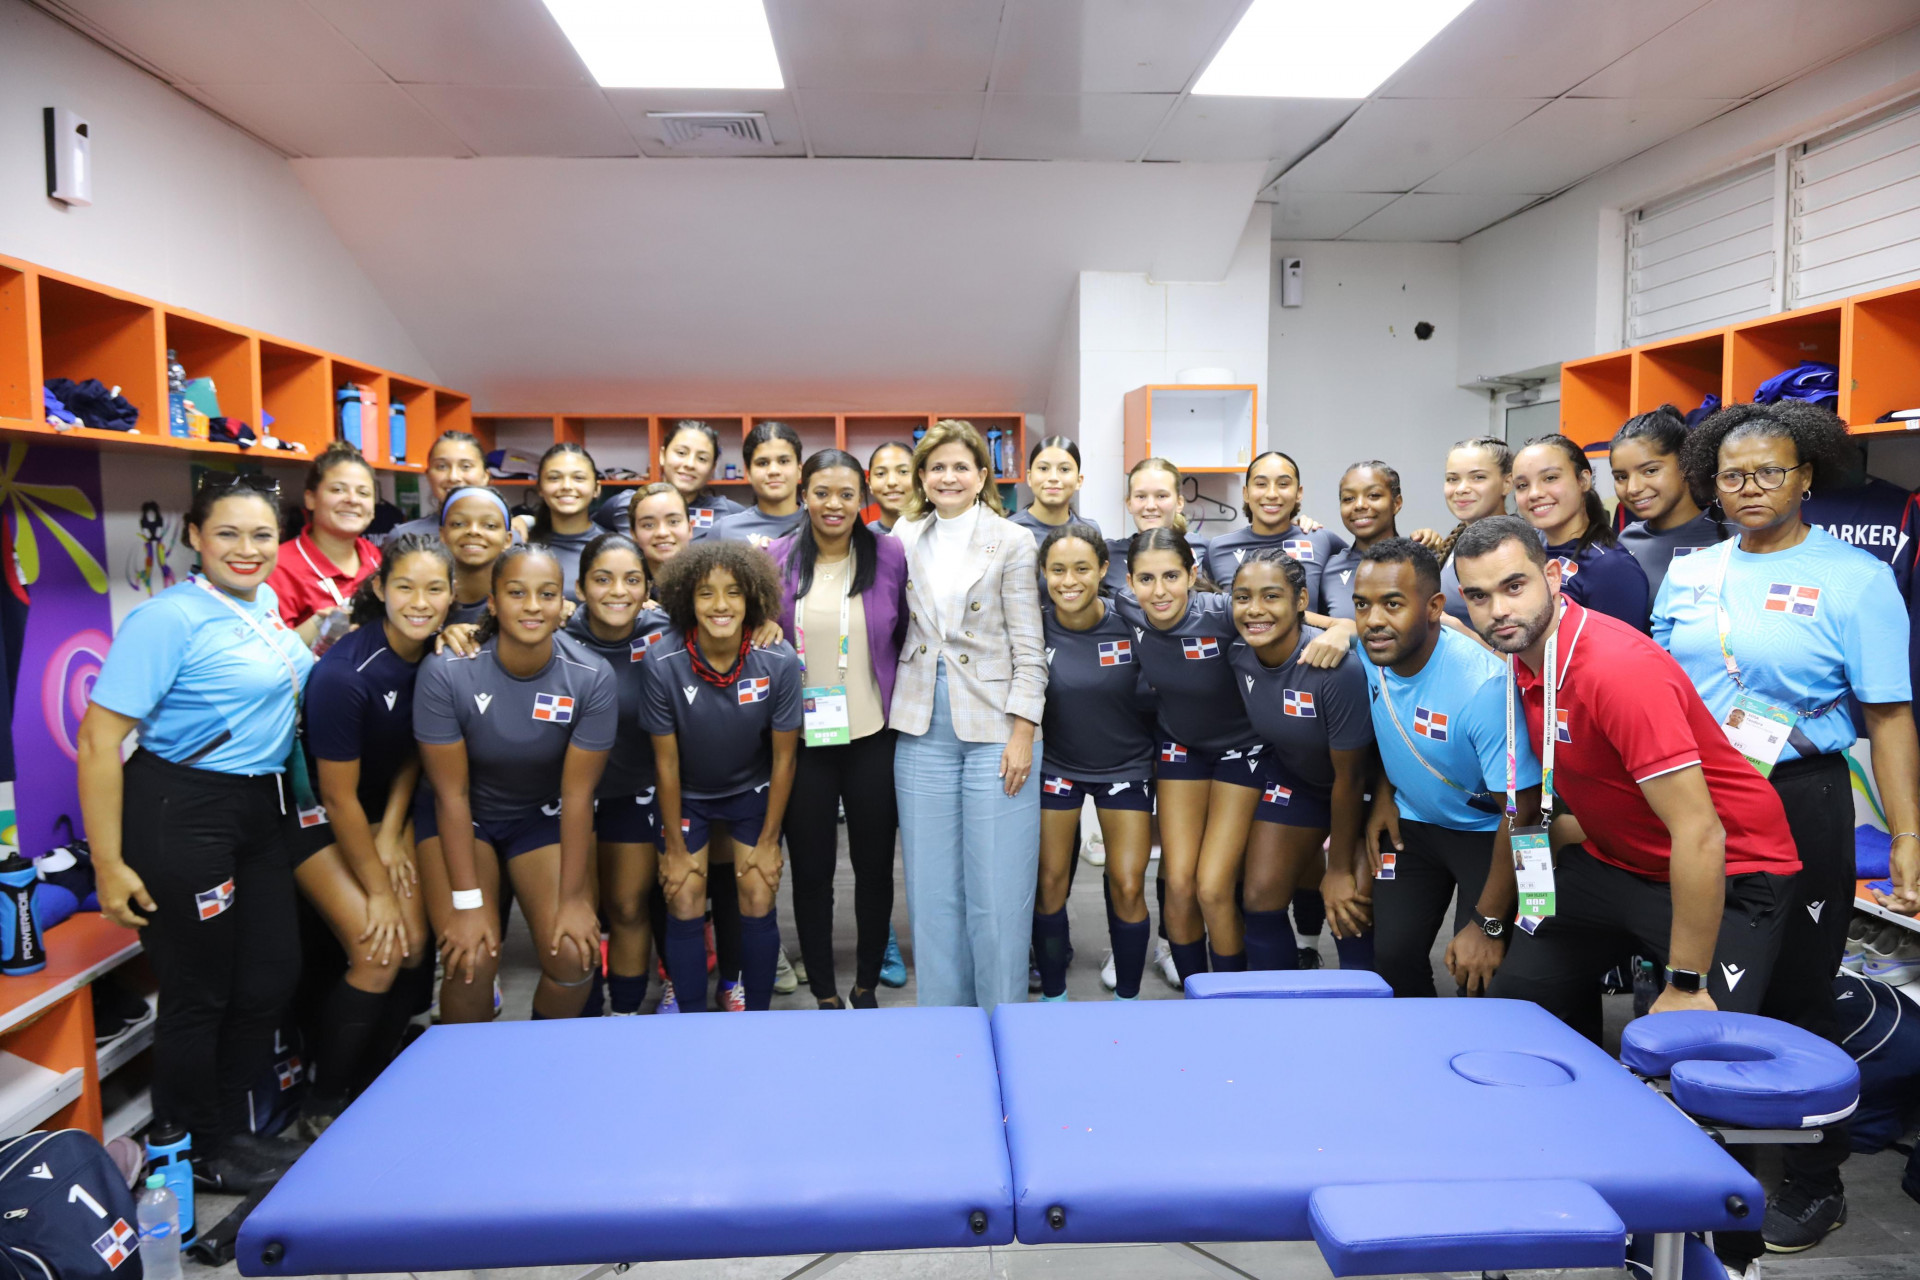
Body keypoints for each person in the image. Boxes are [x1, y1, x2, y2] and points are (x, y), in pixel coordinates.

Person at [1659, 401, 1920, 1251]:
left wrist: (1908, 835)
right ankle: (1701, 1171)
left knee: (1801, 994)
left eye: (1770, 471)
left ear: (1806, 475)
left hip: (1799, 799)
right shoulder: (1692, 571)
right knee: (1695, 979)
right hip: (1694, 801)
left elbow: (1889, 715)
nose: (1750, 487)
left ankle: (1817, 1182)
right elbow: (1658, 687)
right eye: (1732, 475)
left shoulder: (1856, 578)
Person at [1449, 516, 1800, 1037]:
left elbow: (1700, 832)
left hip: (1729, 868)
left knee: (1701, 1046)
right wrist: (1490, 919)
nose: (1498, 609)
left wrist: (1685, 984)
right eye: (1480, 596)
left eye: (1514, 586)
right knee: (1514, 1006)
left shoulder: (1615, 670)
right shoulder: (1523, 661)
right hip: (1614, 863)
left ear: (1552, 577)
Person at [78, 474, 313, 1191]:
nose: (247, 548)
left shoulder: (261, 603)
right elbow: (98, 740)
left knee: (268, 975)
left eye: (262, 534)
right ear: (194, 536)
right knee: (199, 991)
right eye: (228, 533)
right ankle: (195, 1147)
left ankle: (235, 1129)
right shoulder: (167, 618)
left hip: (259, 807)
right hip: (183, 809)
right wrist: (109, 863)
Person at [413, 545, 612, 1022]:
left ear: (563, 605)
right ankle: (468, 1062)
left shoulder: (590, 677)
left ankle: (537, 1054)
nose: (532, 606)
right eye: (517, 593)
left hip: (539, 817)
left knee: (574, 953)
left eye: (547, 594)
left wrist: (573, 900)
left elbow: (577, 795)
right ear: (493, 602)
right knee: (472, 960)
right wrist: (467, 906)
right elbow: (451, 795)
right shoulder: (447, 670)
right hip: (462, 817)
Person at [292, 534, 448, 1132]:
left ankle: (375, 1082)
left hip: (381, 813)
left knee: (413, 947)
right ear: (380, 588)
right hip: (317, 816)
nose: (420, 602)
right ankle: (324, 1100)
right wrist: (378, 889)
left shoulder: (436, 654)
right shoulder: (344, 674)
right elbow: (336, 797)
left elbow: (413, 751)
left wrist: (392, 831)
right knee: (379, 951)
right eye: (405, 587)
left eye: (434, 589)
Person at [891, 419, 1048, 1010]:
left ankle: (1001, 1018)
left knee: (998, 890)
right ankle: (944, 1025)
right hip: (920, 723)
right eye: (936, 467)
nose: (948, 477)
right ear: (922, 478)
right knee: (931, 891)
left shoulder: (1012, 540)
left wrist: (1024, 731)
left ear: (983, 476)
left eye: (961, 466)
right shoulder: (903, 536)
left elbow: (1029, 646)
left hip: (996, 726)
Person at [1350, 538, 1542, 998]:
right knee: (1392, 957)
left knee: (1484, 975)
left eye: (1392, 604)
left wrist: (1489, 924)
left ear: (1434, 607)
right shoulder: (1370, 649)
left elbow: (1524, 814)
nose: (1373, 620)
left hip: (1493, 832)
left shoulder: (1484, 688)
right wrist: (1384, 795)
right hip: (1414, 825)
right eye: (1361, 605)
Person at [768, 451, 908, 1009]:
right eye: (822, 492)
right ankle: (824, 991)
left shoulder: (889, 554)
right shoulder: (777, 559)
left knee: (874, 870)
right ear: (804, 494)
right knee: (812, 873)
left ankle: (866, 983)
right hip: (806, 743)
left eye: (847, 494)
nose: (834, 504)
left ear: (862, 498)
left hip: (873, 736)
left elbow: (906, 632)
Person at [642, 541, 803, 1012]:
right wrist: (674, 849)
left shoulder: (777, 658)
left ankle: (757, 1016)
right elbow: (666, 764)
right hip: (688, 794)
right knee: (683, 894)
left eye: (733, 592)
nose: (720, 605)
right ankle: (692, 1017)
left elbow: (784, 760)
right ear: (687, 601)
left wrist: (770, 841)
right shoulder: (662, 661)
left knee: (758, 890)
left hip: (750, 789)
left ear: (751, 598)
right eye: (706, 593)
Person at [1112, 528, 1262, 979]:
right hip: (1180, 747)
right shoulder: (1127, 606)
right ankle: (1195, 994)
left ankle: (1230, 998)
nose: (1159, 591)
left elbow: (1295, 617)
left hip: (1242, 749)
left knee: (1212, 887)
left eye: (1171, 576)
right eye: (1146, 579)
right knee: (1178, 884)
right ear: (1130, 582)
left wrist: (1341, 631)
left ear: (1192, 574)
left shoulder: (1222, 611)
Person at [1227, 550, 1375, 973]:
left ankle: (1362, 1007)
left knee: (1350, 908)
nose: (1255, 609)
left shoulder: (1336, 667)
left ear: (1301, 601)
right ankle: (1279, 1003)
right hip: (1298, 782)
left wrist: (1339, 869)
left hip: (1363, 793)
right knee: (1259, 900)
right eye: (1243, 597)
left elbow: (1351, 778)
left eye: (1271, 596)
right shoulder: (1238, 654)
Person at [1034, 525, 1156, 1000]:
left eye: (1082, 568)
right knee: (1050, 883)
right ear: (1044, 573)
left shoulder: (1132, 621)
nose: (1069, 581)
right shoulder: (1033, 625)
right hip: (1057, 766)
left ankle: (1128, 999)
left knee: (1127, 885)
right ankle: (1054, 996)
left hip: (1126, 767)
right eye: (1057, 570)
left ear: (1104, 569)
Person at [564, 534, 672, 1015]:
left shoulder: (665, 630)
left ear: (647, 588)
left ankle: (626, 1014)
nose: (617, 592)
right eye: (602, 579)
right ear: (581, 587)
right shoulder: (555, 634)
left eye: (631, 580)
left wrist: (767, 625)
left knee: (628, 906)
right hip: (568, 799)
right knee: (582, 910)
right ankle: (586, 1014)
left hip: (636, 791)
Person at [1512, 434, 1651, 631]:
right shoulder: (1525, 552)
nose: (1534, 493)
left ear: (1584, 480)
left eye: (1550, 478)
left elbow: (1621, 648)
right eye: (1522, 486)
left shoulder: (1611, 567)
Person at [266, 443, 382, 647]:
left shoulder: (375, 557)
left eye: (363, 493)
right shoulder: (278, 566)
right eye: (338, 489)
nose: (352, 500)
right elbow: (270, 651)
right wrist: (318, 629)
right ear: (310, 499)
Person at [1610, 405, 1729, 604]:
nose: (1633, 488)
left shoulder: (1733, 534)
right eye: (1621, 477)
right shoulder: (1627, 540)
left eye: (1650, 471)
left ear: (1686, 463)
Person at [1203, 452, 1347, 613]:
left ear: (1299, 493)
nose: (1271, 494)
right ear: (1246, 493)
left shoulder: (1320, 539)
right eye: (1261, 484)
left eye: (1283, 484)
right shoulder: (1218, 548)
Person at [1320, 461, 1442, 620]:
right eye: (1348, 498)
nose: (1359, 505)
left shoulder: (1423, 559)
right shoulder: (1330, 569)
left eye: (1373, 495)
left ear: (1397, 503)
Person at [595, 420, 745, 537]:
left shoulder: (729, 512)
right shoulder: (624, 504)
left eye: (702, 458)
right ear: (662, 455)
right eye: (681, 453)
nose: (689, 464)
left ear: (712, 468)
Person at [1105, 458, 1210, 595]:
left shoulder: (1203, 549)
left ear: (1179, 503)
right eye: (1141, 496)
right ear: (1129, 503)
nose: (1150, 506)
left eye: (1161, 496)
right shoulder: (1109, 554)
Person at [1437, 436, 1513, 623]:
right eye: (1452, 479)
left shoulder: (1522, 543)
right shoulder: (1452, 543)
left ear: (1507, 483)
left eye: (1478, 477)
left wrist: (1458, 630)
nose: (1461, 489)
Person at [517, 442, 602, 598]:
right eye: (554, 478)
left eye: (578, 478)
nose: (567, 486)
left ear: (596, 488)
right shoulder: (521, 541)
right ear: (540, 488)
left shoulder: (611, 545)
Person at [382, 430, 490, 547]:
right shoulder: (404, 538)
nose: (453, 477)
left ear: (485, 476)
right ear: (428, 475)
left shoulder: (503, 534)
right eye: (442, 466)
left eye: (465, 466)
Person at [711, 421, 805, 546]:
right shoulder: (724, 531)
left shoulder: (819, 524)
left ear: (799, 470)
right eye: (762, 463)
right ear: (748, 473)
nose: (774, 471)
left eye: (783, 461)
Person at [439, 487, 515, 627]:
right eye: (459, 524)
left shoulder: (518, 602)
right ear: (442, 534)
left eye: (490, 525)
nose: (473, 531)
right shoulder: (425, 599)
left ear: (507, 539)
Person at [1010, 437, 1100, 545]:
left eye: (1064, 469)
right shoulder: (1009, 530)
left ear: (1079, 481)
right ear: (1029, 477)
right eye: (1043, 468)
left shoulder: (1090, 531)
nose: (1053, 477)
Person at [627, 480, 694, 595]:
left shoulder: (709, 580)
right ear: (634, 534)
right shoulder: (625, 589)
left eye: (673, 522)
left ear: (689, 529)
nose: (662, 533)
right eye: (649, 525)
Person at [866, 441, 915, 534]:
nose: (891, 482)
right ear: (870, 483)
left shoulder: (934, 533)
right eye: (881, 473)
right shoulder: (862, 538)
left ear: (919, 479)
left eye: (903, 472)